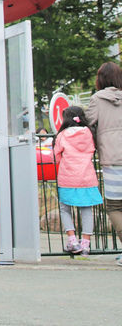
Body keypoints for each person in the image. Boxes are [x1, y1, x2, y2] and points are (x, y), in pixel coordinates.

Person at [85, 61, 122, 265]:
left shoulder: (97, 99)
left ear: (100, 80)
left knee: (115, 206)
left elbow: (87, 123)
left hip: (112, 159)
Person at [53, 105, 102, 255]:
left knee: (65, 208)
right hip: (87, 177)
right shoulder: (89, 133)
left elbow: (56, 155)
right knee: (87, 209)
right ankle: (86, 244)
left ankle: (73, 241)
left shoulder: (62, 135)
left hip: (67, 177)